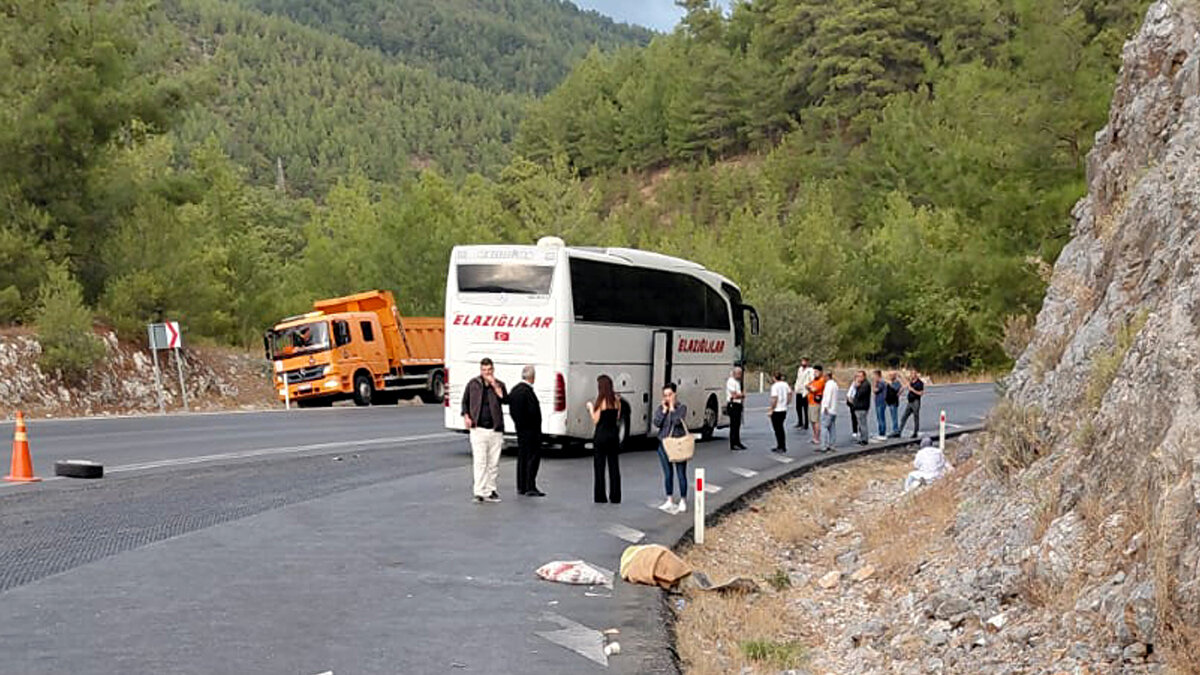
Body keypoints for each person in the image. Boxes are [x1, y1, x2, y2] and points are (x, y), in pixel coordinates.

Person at [462, 358, 508, 503]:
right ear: (480, 370)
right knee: (480, 461)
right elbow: (465, 402)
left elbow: (505, 399)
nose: (487, 373)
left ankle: (491, 489)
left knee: (493, 462)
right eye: (484, 370)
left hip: (495, 429)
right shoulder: (473, 384)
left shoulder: (499, 384)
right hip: (478, 428)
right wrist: (467, 417)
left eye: (489, 370)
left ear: (493, 370)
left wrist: (494, 385)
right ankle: (479, 491)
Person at [652, 383, 689, 514]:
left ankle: (683, 499)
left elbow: (677, 421)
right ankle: (669, 498)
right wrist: (664, 411)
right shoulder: (661, 408)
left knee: (681, 472)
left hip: (678, 444)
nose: (668, 398)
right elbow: (656, 423)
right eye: (665, 395)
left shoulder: (682, 408)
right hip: (664, 444)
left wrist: (672, 408)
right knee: (668, 473)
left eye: (670, 395)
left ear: (675, 394)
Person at [509, 365, 544, 497]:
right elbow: (533, 412)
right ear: (532, 377)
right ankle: (530, 485)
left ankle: (521, 485)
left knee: (522, 457)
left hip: (520, 429)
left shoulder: (515, 390)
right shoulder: (528, 392)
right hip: (531, 431)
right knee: (532, 458)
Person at [587, 375, 623, 504]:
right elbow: (617, 417)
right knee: (614, 466)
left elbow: (596, 420)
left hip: (601, 436)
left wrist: (591, 408)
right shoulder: (617, 401)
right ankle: (615, 496)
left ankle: (600, 496)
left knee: (599, 467)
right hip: (613, 435)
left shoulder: (601, 402)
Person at [767, 371, 791, 453]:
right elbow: (790, 393)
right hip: (783, 409)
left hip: (777, 409)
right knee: (781, 427)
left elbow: (774, 398)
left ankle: (781, 446)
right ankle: (781, 445)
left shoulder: (774, 386)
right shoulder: (785, 384)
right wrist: (787, 402)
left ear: (774, 378)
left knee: (777, 429)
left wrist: (771, 409)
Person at [899, 370, 926, 439]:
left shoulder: (920, 383)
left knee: (916, 417)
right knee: (904, 417)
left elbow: (921, 393)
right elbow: (905, 385)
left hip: (916, 401)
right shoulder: (911, 382)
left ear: (916, 374)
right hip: (910, 402)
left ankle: (915, 432)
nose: (911, 375)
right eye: (911, 374)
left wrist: (912, 390)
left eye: (913, 374)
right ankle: (899, 431)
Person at [725, 366, 747, 451]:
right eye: (739, 373)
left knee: (737, 424)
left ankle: (738, 442)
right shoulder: (731, 381)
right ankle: (733, 443)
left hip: (738, 404)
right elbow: (734, 395)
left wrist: (741, 395)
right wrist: (742, 395)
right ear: (735, 373)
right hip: (733, 404)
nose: (740, 375)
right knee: (734, 425)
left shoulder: (737, 382)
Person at [819, 371, 839, 453]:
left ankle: (823, 446)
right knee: (832, 428)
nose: (823, 378)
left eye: (824, 376)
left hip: (828, 410)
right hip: (834, 410)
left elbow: (828, 396)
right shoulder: (835, 384)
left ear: (827, 376)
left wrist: (826, 407)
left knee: (824, 427)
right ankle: (832, 445)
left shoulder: (828, 385)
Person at [806, 366, 826, 445]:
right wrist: (810, 387)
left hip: (815, 402)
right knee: (812, 421)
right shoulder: (814, 380)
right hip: (810, 402)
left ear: (820, 372)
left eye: (816, 372)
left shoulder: (821, 381)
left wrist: (810, 388)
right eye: (814, 372)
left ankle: (817, 437)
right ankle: (814, 436)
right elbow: (807, 385)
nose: (815, 373)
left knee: (816, 420)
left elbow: (814, 389)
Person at [851, 370, 871, 446]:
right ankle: (862, 438)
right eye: (857, 376)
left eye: (860, 376)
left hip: (862, 407)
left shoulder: (865, 385)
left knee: (862, 424)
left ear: (864, 376)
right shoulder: (862, 384)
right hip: (859, 406)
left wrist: (857, 387)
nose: (858, 378)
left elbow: (859, 394)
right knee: (860, 423)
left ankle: (864, 439)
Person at [794, 358, 815, 429]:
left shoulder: (810, 370)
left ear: (807, 362)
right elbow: (798, 379)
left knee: (805, 408)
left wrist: (808, 387)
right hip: (799, 390)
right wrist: (796, 387)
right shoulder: (800, 369)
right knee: (798, 407)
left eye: (804, 361)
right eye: (802, 361)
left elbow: (812, 379)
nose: (803, 363)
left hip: (805, 391)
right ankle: (800, 422)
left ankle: (806, 424)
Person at [872, 369, 888, 441]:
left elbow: (875, 390)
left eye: (874, 376)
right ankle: (880, 432)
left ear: (878, 375)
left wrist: (874, 383)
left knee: (881, 418)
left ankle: (882, 433)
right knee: (879, 418)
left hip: (881, 402)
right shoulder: (881, 382)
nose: (874, 377)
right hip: (879, 402)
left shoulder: (881, 383)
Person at [885, 371, 902, 438]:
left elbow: (896, 389)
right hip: (890, 402)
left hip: (894, 402)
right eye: (889, 375)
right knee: (892, 417)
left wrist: (890, 384)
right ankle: (895, 430)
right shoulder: (890, 383)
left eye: (891, 375)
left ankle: (896, 431)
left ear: (894, 376)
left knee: (894, 417)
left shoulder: (897, 383)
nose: (890, 377)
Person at [845, 373, 860, 440]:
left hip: (859, 403)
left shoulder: (862, 385)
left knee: (859, 418)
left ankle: (860, 431)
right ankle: (855, 431)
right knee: (854, 417)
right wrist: (851, 400)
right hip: (853, 403)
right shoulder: (853, 384)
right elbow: (849, 394)